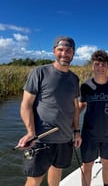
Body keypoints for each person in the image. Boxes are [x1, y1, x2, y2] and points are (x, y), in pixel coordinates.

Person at [17, 36, 82, 186]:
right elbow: (26, 105)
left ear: (73, 53)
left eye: (68, 51)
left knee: (57, 171)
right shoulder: (39, 72)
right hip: (41, 139)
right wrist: (30, 132)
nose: (64, 54)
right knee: (34, 179)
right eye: (60, 50)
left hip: (65, 139)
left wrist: (77, 131)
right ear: (54, 51)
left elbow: (75, 108)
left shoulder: (74, 79)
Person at [79, 50, 108, 186]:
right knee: (87, 165)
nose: (100, 67)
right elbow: (81, 105)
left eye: (103, 64)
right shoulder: (86, 86)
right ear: (92, 66)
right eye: (97, 64)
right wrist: (70, 117)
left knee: (107, 164)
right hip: (88, 135)